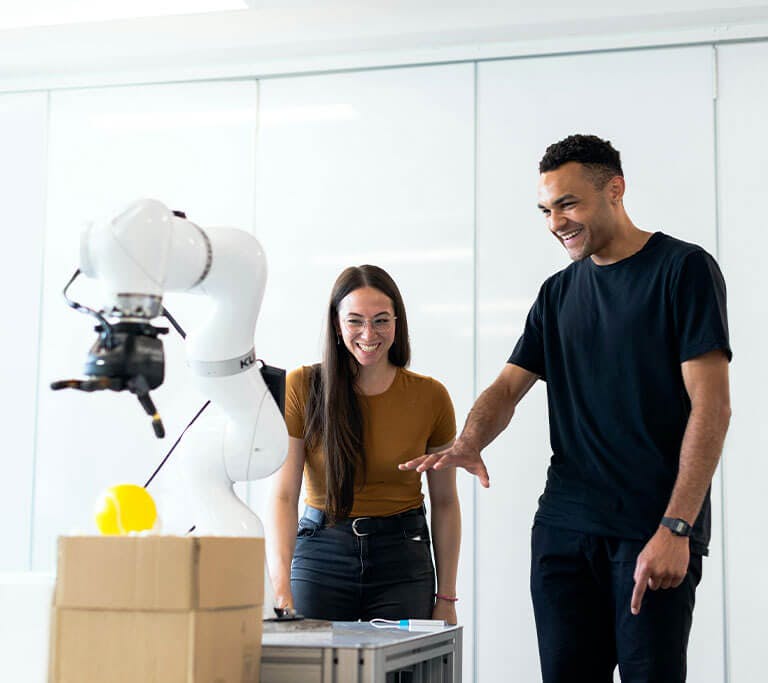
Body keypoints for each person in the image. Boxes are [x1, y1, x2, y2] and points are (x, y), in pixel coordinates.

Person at [400, 134, 731, 681]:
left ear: (615, 190)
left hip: (653, 531)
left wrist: (678, 527)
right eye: (547, 209)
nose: (556, 222)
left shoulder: (683, 270)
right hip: (564, 531)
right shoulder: (557, 293)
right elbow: (506, 389)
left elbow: (712, 408)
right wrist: (468, 442)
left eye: (568, 203)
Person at [267, 264, 460, 624]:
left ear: (397, 323)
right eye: (355, 320)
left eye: (381, 320)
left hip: (402, 556)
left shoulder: (431, 396)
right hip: (322, 551)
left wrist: (446, 596)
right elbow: (283, 495)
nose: (368, 333)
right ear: (337, 325)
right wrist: (280, 586)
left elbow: (446, 502)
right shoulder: (303, 386)